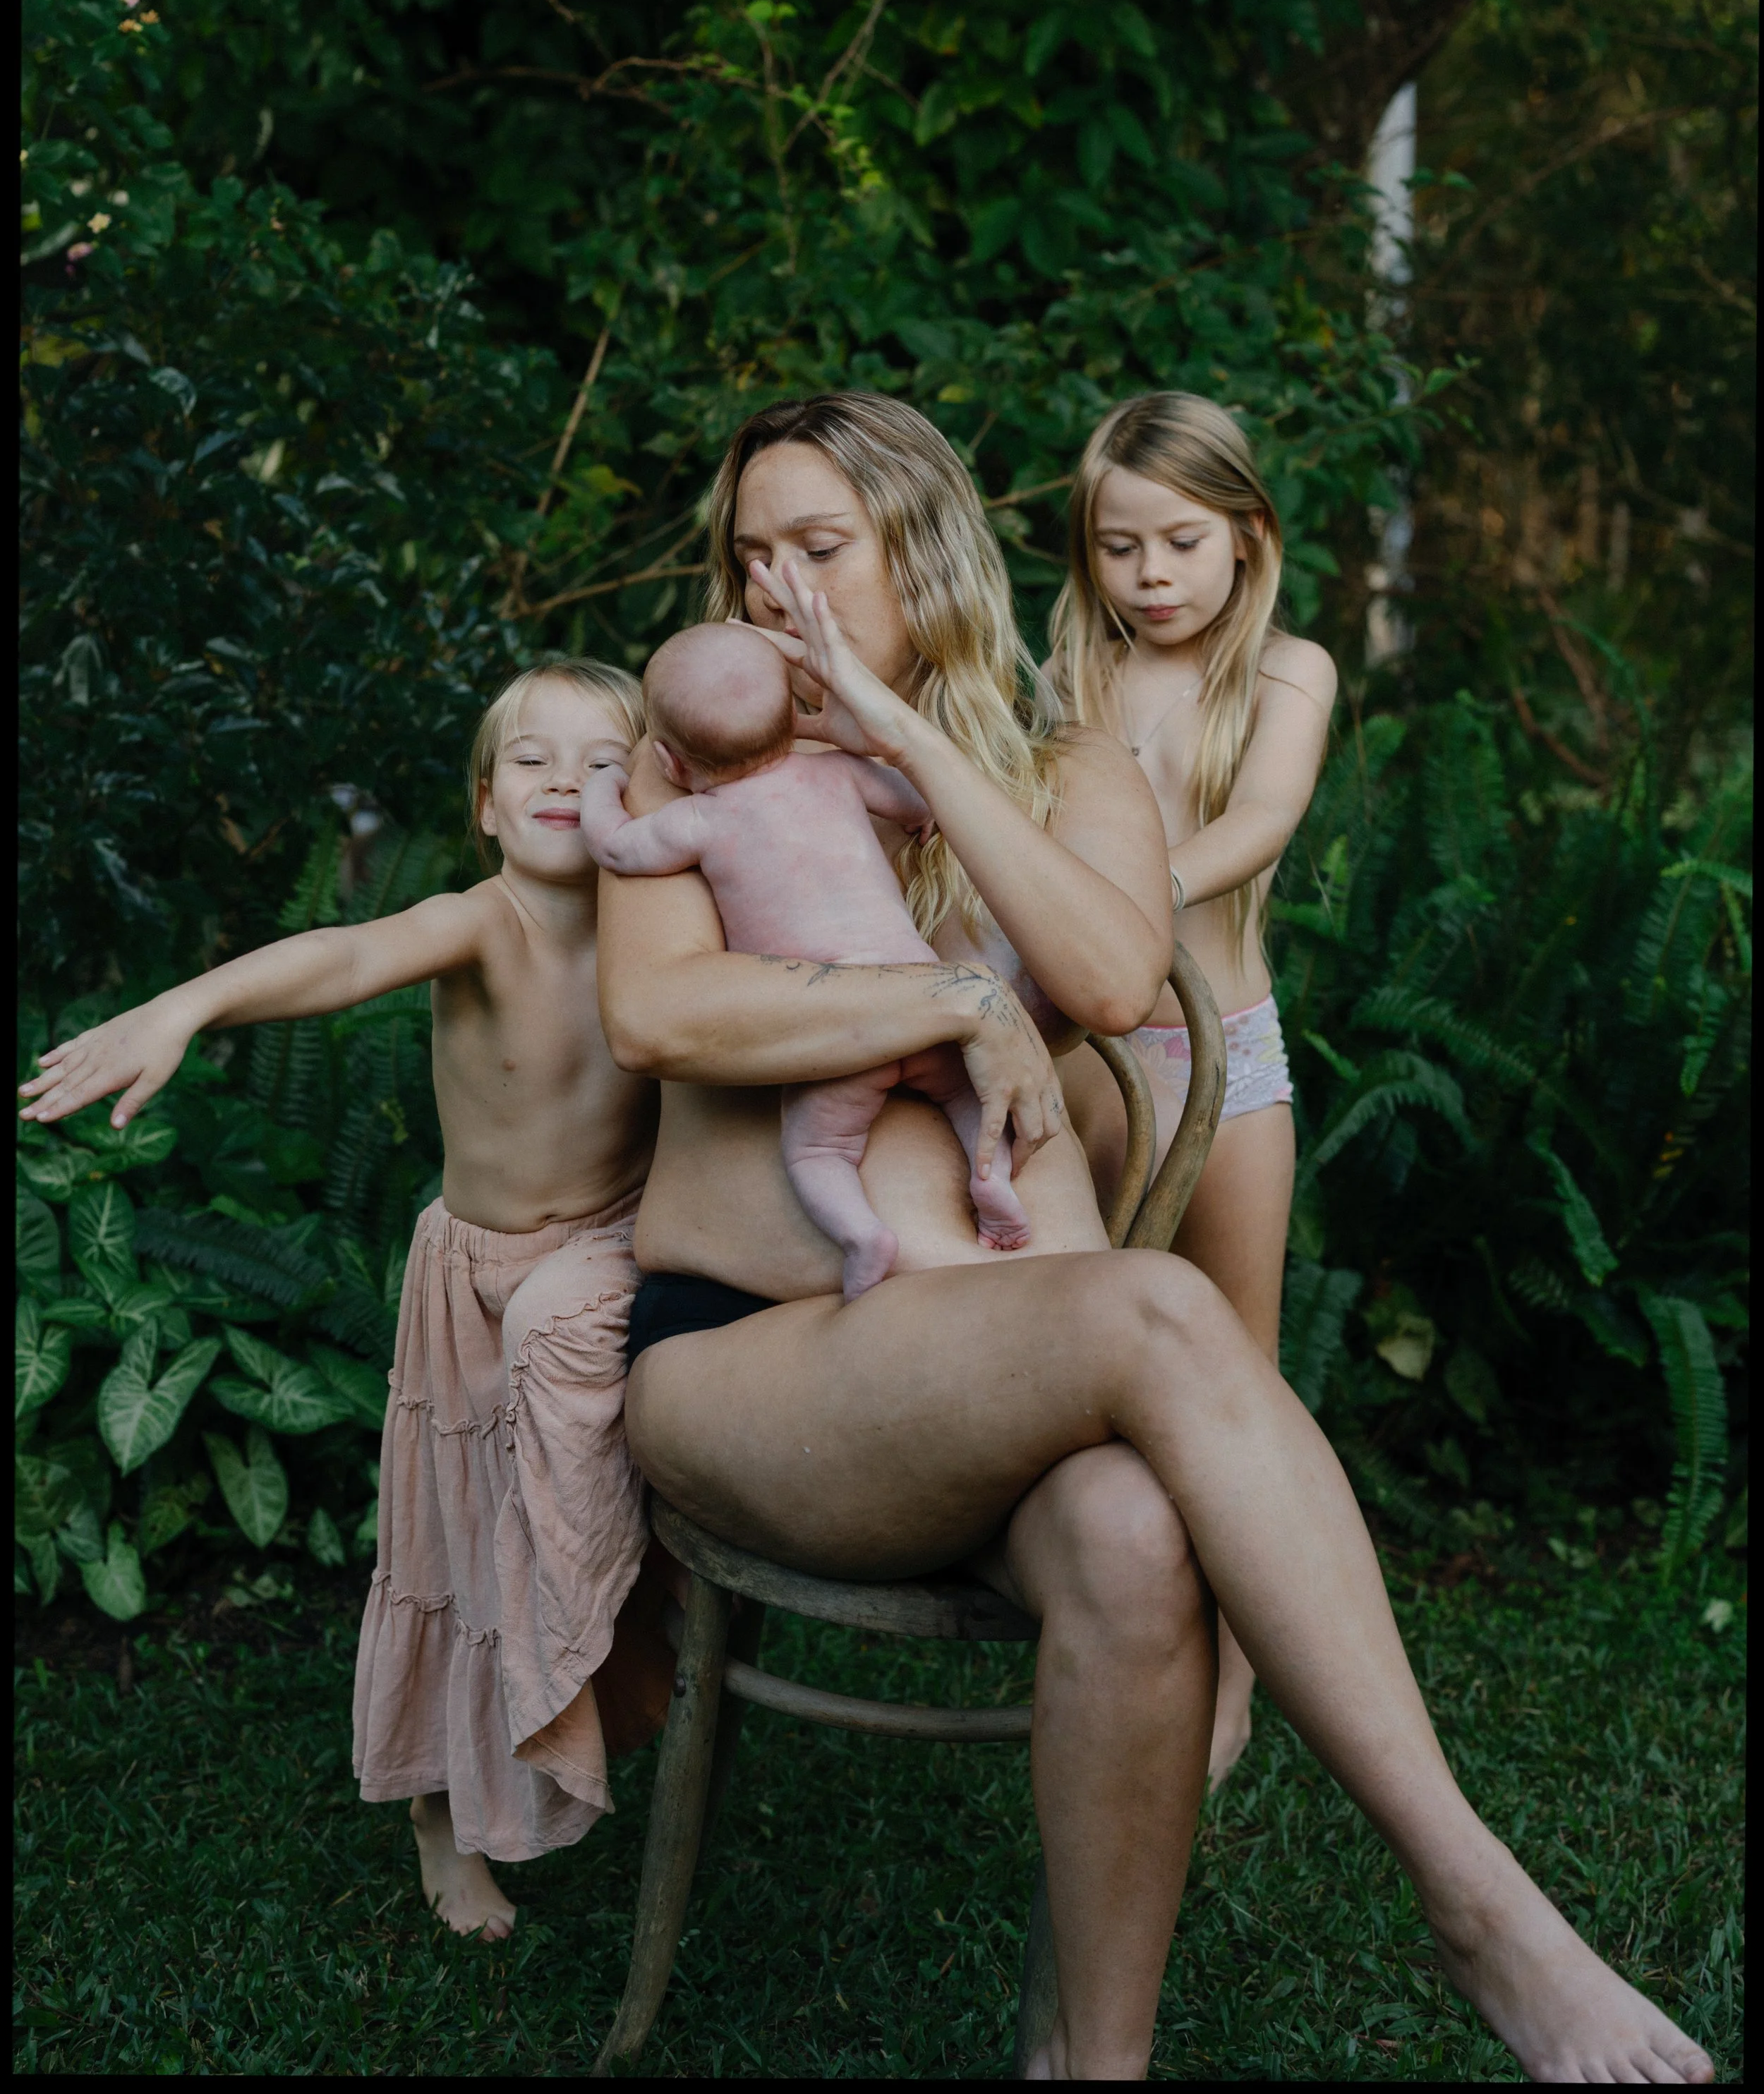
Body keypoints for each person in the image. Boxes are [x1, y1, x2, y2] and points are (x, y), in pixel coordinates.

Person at [595, 389, 1712, 2085]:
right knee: (1159, 1312)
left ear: (926, 555)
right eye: (749, 557)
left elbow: (1118, 983)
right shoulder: (691, 758)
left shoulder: (1071, 771)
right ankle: (1480, 1906)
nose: (772, 593)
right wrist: (942, 997)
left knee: (1129, 1528)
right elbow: (661, 1014)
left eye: (818, 551)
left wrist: (905, 740)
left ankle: (1088, 2067)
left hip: (993, 1366)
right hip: (755, 1360)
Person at [18, 658, 673, 1944]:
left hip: (602, 1263)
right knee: (458, 1553)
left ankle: (595, 1698)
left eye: (605, 762)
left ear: (648, 792)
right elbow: (352, 947)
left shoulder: (664, 927)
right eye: (532, 760)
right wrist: (189, 1001)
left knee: (574, 1526)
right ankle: (442, 1814)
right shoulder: (484, 922)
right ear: (486, 804)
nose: (565, 783)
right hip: (479, 1283)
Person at [1044, 390, 1334, 1791]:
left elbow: (1260, 819)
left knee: (1241, 1374)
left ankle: (1228, 1677)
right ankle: (1101, 1612)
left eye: (1177, 542)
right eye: (1117, 547)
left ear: (1244, 532)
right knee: (1081, 1346)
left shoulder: (1288, 673)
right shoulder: (1067, 675)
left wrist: (1121, 893)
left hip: (1226, 1047)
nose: (1149, 576)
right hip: (1084, 1057)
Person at [580, 619, 1030, 1297]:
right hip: (921, 1005)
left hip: (839, 1036)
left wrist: (603, 784)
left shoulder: (701, 821)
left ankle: (862, 1234)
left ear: (671, 764)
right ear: (794, 719)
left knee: (818, 1150)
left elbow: (616, 848)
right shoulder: (838, 775)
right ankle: (994, 1186)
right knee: (971, 1106)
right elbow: (918, 807)